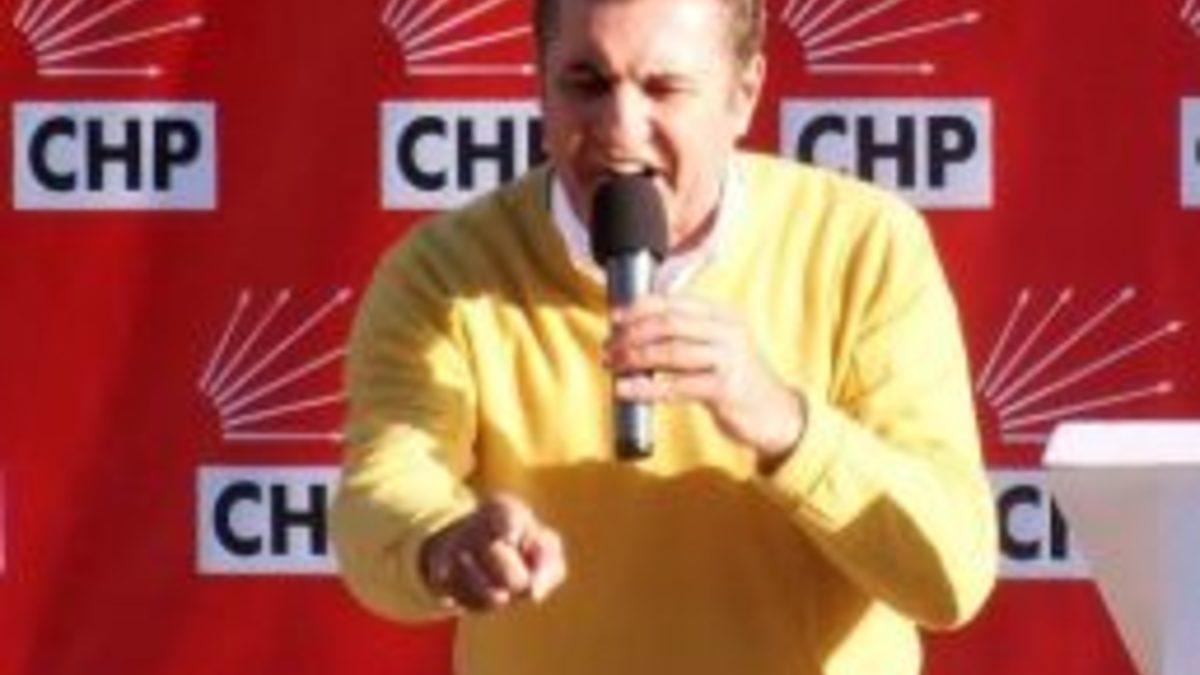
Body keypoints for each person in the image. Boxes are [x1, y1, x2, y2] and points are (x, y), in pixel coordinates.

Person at [331, 0, 998, 672]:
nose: (620, 129)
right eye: (586, 83)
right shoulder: (444, 273)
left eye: (664, 88)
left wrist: (787, 427)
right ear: (540, 81)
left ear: (743, 94)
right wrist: (444, 542)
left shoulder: (863, 245)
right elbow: (383, 494)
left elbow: (950, 577)